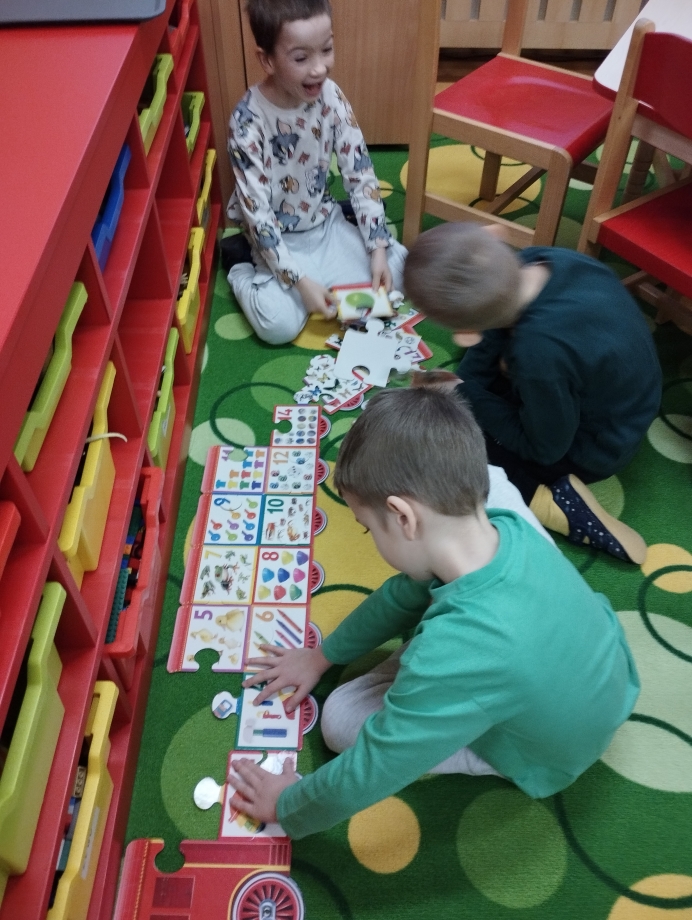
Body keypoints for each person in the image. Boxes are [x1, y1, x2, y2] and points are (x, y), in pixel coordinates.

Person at [228, 388, 640, 839]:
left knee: (340, 718)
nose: (369, 538)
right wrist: (322, 656)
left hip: (548, 752)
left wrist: (287, 805)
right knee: (434, 613)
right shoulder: (508, 525)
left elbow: (379, 764)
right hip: (607, 678)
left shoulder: (454, 651)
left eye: (367, 529)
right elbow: (401, 596)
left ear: (402, 517)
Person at [403, 222, 663, 565]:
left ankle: (551, 501)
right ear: (495, 235)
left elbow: (544, 449)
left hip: (598, 447)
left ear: (467, 333)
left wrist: (466, 394)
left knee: (448, 446)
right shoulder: (544, 259)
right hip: (629, 400)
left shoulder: (538, 354)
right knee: (476, 383)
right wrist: (467, 383)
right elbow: (495, 331)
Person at [225, 0, 407, 345]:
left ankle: (345, 251)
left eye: (327, 49)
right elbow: (259, 215)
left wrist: (377, 250)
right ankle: (238, 263)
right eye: (301, 58)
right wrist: (298, 280)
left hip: (325, 225)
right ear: (267, 61)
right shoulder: (247, 122)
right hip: (276, 240)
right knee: (277, 326)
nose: (320, 68)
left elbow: (360, 174)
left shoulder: (331, 97)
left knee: (398, 270)